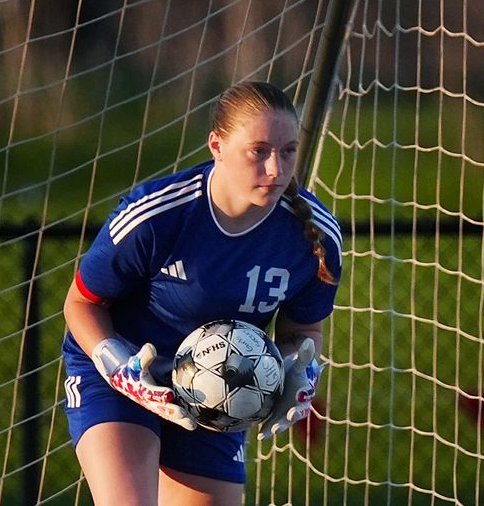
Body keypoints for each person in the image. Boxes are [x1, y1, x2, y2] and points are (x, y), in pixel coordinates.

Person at [62, 81, 342, 506]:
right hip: (123, 377)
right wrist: (121, 369)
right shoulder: (156, 215)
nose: (276, 169)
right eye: (259, 151)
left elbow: (303, 330)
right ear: (217, 146)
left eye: (287, 151)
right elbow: (81, 303)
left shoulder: (314, 236)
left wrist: (295, 372)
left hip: (222, 392)